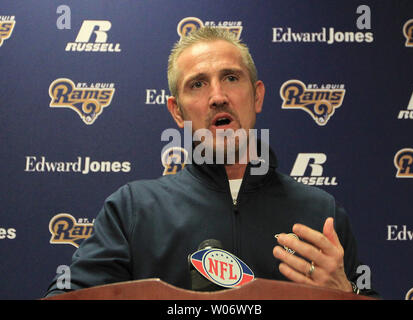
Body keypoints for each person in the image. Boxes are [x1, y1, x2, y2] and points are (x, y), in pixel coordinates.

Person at [45, 27, 377, 297]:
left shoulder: (320, 214)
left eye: (231, 77)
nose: (218, 96)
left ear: (257, 95)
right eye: (198, 84)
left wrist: (344, 293)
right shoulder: (132, 210)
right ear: (177, 110)